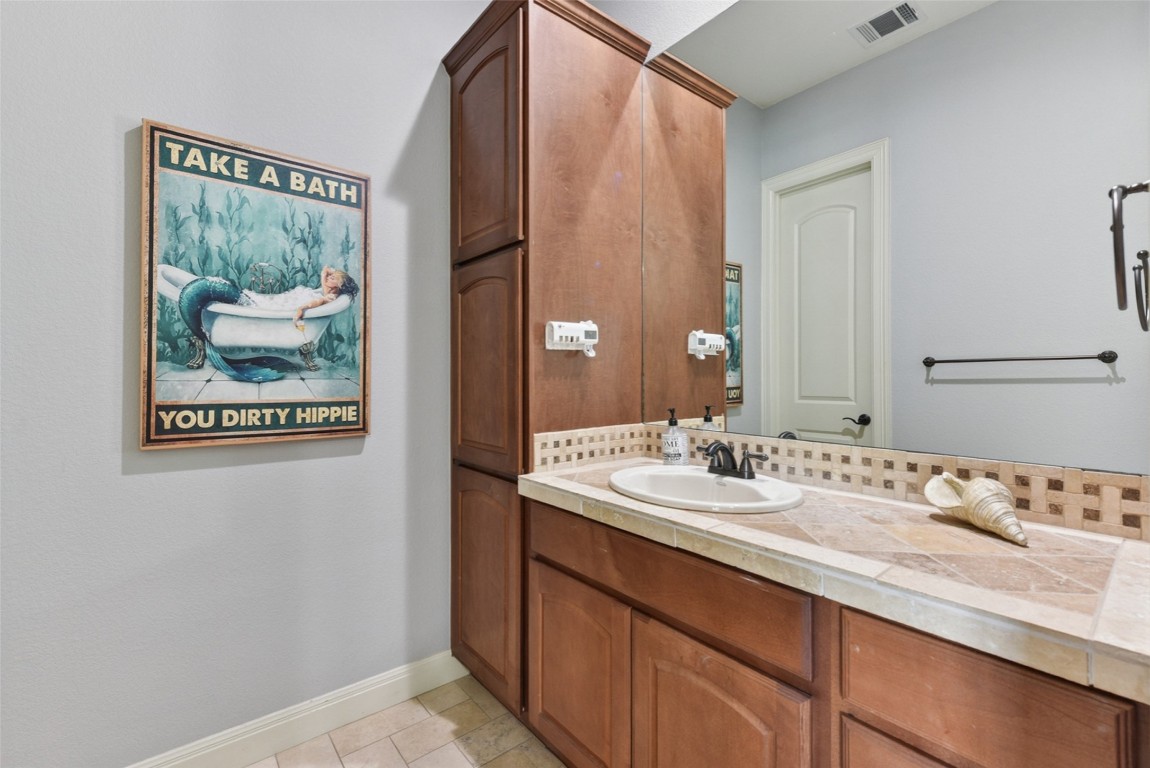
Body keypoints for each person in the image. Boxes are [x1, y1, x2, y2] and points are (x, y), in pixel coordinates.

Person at [294, 266, 358, 327]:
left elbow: (319, 301)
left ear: (339, 285)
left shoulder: (331, 296)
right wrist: (334, 273)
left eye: (332, 278)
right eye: (329, 276)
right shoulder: (328, 290)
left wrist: (301, 308)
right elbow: (325, 271)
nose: (327, 277)